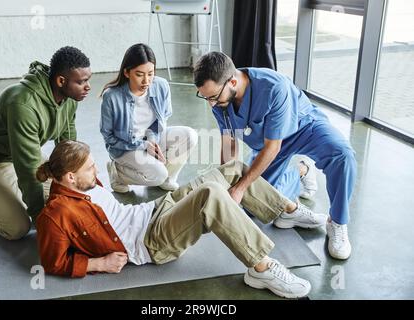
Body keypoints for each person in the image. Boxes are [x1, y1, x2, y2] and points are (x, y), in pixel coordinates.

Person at [35, 140, 327, 299]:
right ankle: (261, 267)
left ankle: (286, 211)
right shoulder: (56, 215)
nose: (96, 170)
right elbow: (53, 261)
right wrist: (99, 264)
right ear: (70, 177)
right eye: (90, 168)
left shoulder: (82, 182)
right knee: (210, 195)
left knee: (233, 169)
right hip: (151, 241)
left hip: (152, 210)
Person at [193, 52, 357, 260]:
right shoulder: (220, 100)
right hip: (268, 146)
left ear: (232, 81)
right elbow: (229, 143)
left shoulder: (273, 87)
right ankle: (300, 172)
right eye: (205, 97)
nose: (211, 104)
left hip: (303, 129)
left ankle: (337, 222)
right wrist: (228, 184)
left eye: (213, 97)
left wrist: (241, 187)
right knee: (256, 205)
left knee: (343, 155)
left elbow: (273, 147)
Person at [0, 46, 92, 240]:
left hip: (22, 150)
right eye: (82, 81)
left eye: (88, 80)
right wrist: (42, 222)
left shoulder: (70, 98)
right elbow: (28, 168)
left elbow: (67, 145)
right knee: (18, 228)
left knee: (60, 198)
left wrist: (81, 182)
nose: (88, 87)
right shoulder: (23, 103)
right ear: (61, 81)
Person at [100, 43, 197, 193]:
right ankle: (117, 173)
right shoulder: (112, 96)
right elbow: (109, 137)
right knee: (157, 174)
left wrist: (151, 139)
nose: (146, 81)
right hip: (125, 147)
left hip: (152, 139)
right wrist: (143, 146)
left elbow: (163, 117)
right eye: (139, 74)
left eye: (150, 73)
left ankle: (167, 179)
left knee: (189, 135)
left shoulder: (161, 85)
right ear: (126, 72)